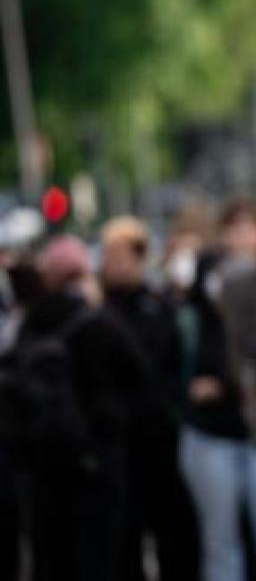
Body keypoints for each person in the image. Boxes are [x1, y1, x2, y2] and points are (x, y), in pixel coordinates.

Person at [18, 236, 148, 581]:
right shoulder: (99, 322)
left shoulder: (30, 323)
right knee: (99, 558)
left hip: (44, 463)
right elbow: (138, 374)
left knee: (51, 558)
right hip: (98, 461)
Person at [179, 199, 256, 581]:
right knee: (222, 540)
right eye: (233, 229)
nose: (241, 237)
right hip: (214, 428)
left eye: (249, 227)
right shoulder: (209, 279)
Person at [99, 217, 200, 581]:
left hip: (160, 438)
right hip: (117, 441)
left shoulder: (159, 308)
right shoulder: (98, 312)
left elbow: (169, 366)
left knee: (173, 531)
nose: (114, 264)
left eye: (122, 255)